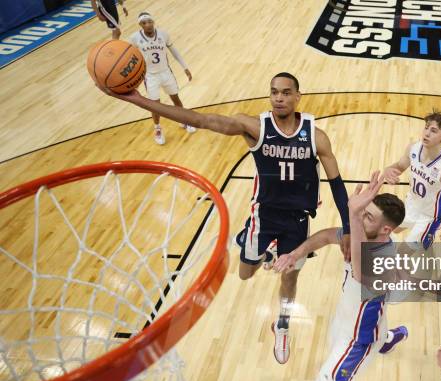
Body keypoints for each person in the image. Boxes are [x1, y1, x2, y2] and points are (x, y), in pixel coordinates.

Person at [97, 72, 352, 364]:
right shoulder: (253, 127)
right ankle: (250, 242)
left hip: (297, 220)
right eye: (274, 92)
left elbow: (337, 184)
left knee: (290, 277)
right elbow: (201, 120)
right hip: (264, 216)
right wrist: (139, 100)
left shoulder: (316, 136)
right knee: (245, 274)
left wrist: (346, 226)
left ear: (297, 97)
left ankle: (281, 323)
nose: (279, 97)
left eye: (285, 92)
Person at [275, 171, 409, 381]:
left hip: (361, 338)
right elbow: (327, 236)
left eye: (368, 217)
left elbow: (359, 265)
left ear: (386, 230)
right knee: (372, 322)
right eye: (364, 212)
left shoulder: (382, 260)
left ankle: (382, 341)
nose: (361, 219)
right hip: (347, 316)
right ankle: (390, 338)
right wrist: (295, 254)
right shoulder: (362, 235)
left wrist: (354, 214)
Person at [383, 110, 441, 249]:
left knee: (404, 254)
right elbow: (400, 166)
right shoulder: (413, 148)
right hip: (411, 204)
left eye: (433, 131)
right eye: (426, 127)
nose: (426, 133)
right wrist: (387, 170)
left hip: (430, 216)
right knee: (390, 230)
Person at [128, 12, 195, 145]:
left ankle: (184, 120)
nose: (148, 25)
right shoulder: (134, 38)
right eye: (144, 23)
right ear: (140, 25)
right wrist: (133, 77)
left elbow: (174, 51)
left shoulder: (163, 34)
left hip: (166, 72)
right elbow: (130, 58)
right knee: (155, 106)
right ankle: (157, 129)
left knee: (176, 98)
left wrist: (185, 67)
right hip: (150, 76)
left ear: (153, 22)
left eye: (150, 21)